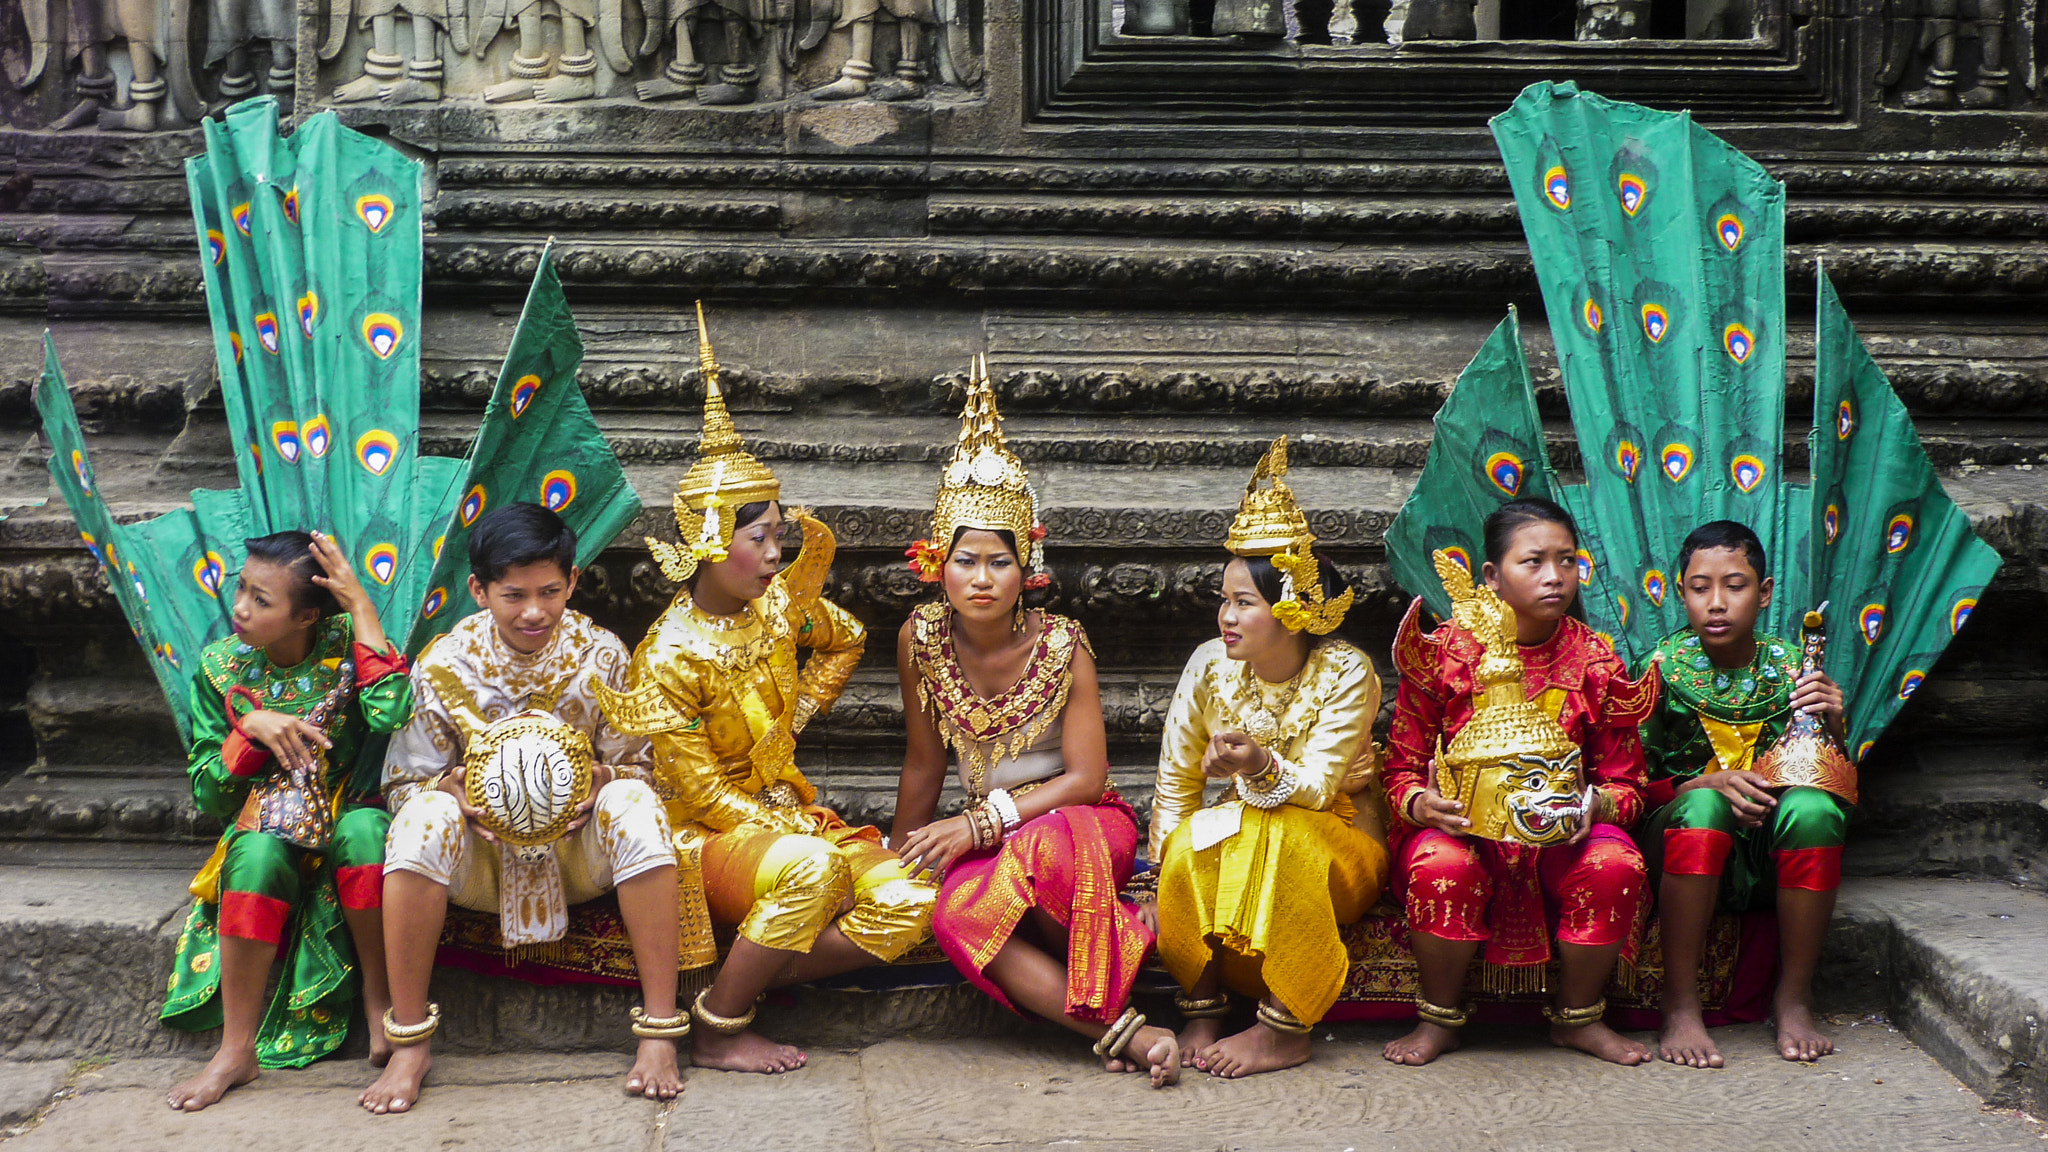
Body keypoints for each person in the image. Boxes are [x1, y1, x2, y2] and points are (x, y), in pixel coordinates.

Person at [598, 310, 936, 1074]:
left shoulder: (780, 607)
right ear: (710, 542)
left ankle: (736, 978)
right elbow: (702, 793)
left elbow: (846, 638)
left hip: (786, 812)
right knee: (816, 870)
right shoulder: (667, 654)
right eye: (761, 539)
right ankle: (721, 1024)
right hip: (707, 836)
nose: (777, 554)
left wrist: (804, 713)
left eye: (780, 534)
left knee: (914, 901)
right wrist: (794, 827)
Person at [890, 362, 1172, 1086]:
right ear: (937, 564)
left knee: (1041, 854)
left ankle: (1107, 966)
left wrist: (983, 824)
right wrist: (899, 858)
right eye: (964, 561)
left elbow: (1088, 777)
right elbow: (924, 764)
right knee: (954, 914)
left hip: (1078, 820)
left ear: (1027, 567)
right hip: (997, 833)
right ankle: (1123, 1031)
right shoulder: (919, 639)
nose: (980, 578)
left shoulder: (1061, 643)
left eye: (997, 562)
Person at [362, 503, 689, 1113]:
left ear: (572, 583)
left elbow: (644, 768)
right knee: (422, 819)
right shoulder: (443, 666)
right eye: (514, 595)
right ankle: (409, 1041)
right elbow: (403, 783)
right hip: (479, 864)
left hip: (576, 855)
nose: (534, 611)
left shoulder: (603, 655)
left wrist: (603, 781)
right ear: (479, 590)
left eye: (550, 591)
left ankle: (660, 1031)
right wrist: (451, 793)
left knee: (635, 804)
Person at [1381, 497, 1658, 1068]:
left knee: (1614, 865)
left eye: (1568, 560)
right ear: (1491, 576)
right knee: (1440, 865)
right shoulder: (1444, 656)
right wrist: (1422, 805)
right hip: (1465, 832)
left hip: (1563, 835)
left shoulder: (1596, 661)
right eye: (1533, 562)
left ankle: (1580, 1017)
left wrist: (1593, 805)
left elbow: (1629, 784)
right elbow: (1400, 769)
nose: (1555, 576)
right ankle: (1438, 1018)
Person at [1147, 436, 1390, 1079]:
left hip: (1338, 838)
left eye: (1243, 603)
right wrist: (1164, 868)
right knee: (1194, 835)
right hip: (1246, 831)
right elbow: (1176, 783)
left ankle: (1285, 1026)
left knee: (1284, 833)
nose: (1226, 617)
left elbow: (1314, 788)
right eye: (1224, 601)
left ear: (1291, 611)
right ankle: (1202, 1003)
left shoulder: (1347, 671)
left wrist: (1258, 767)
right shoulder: (1208, 665)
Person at [163, 531, 412, 1111]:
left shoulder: (348, 643)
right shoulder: (222, 668)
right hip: (265, 825)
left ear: (305, 615)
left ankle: (382, 1005)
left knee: (369, 833)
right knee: (253, 855)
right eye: (242, 589)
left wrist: (364, 609)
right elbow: (209, 794)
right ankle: (236, 1050)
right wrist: (248, 732)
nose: (241, 608)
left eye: (262, 600)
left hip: (343, 815)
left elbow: (392, 711)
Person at [1636, 519, 1849, 1068]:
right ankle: (1681, 1003)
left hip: (1766, 847)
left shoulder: (1794, 671)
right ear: (1678, 592)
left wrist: (1835, 725)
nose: (1716, 603)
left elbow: (1834, 786)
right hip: (1682, 839)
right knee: (1707, 805)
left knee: (1815, 809)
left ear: (1766, 592)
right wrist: (1702, 783)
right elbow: (1628, 787)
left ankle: (1794, 997)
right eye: (1699, 587)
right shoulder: (1657, 672)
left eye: (1735, 585)